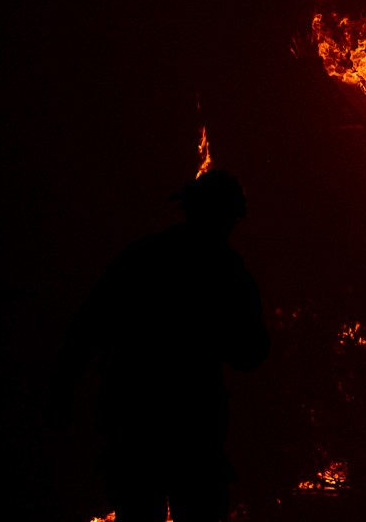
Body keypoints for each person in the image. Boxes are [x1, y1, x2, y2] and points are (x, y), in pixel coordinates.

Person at [59, 169, 270, 522]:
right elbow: (251, 354)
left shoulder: (142, 258)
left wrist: (64, 389)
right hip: (192, 431)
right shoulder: (229, 276)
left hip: (137, 425)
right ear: (230, 218)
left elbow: (88, 325)